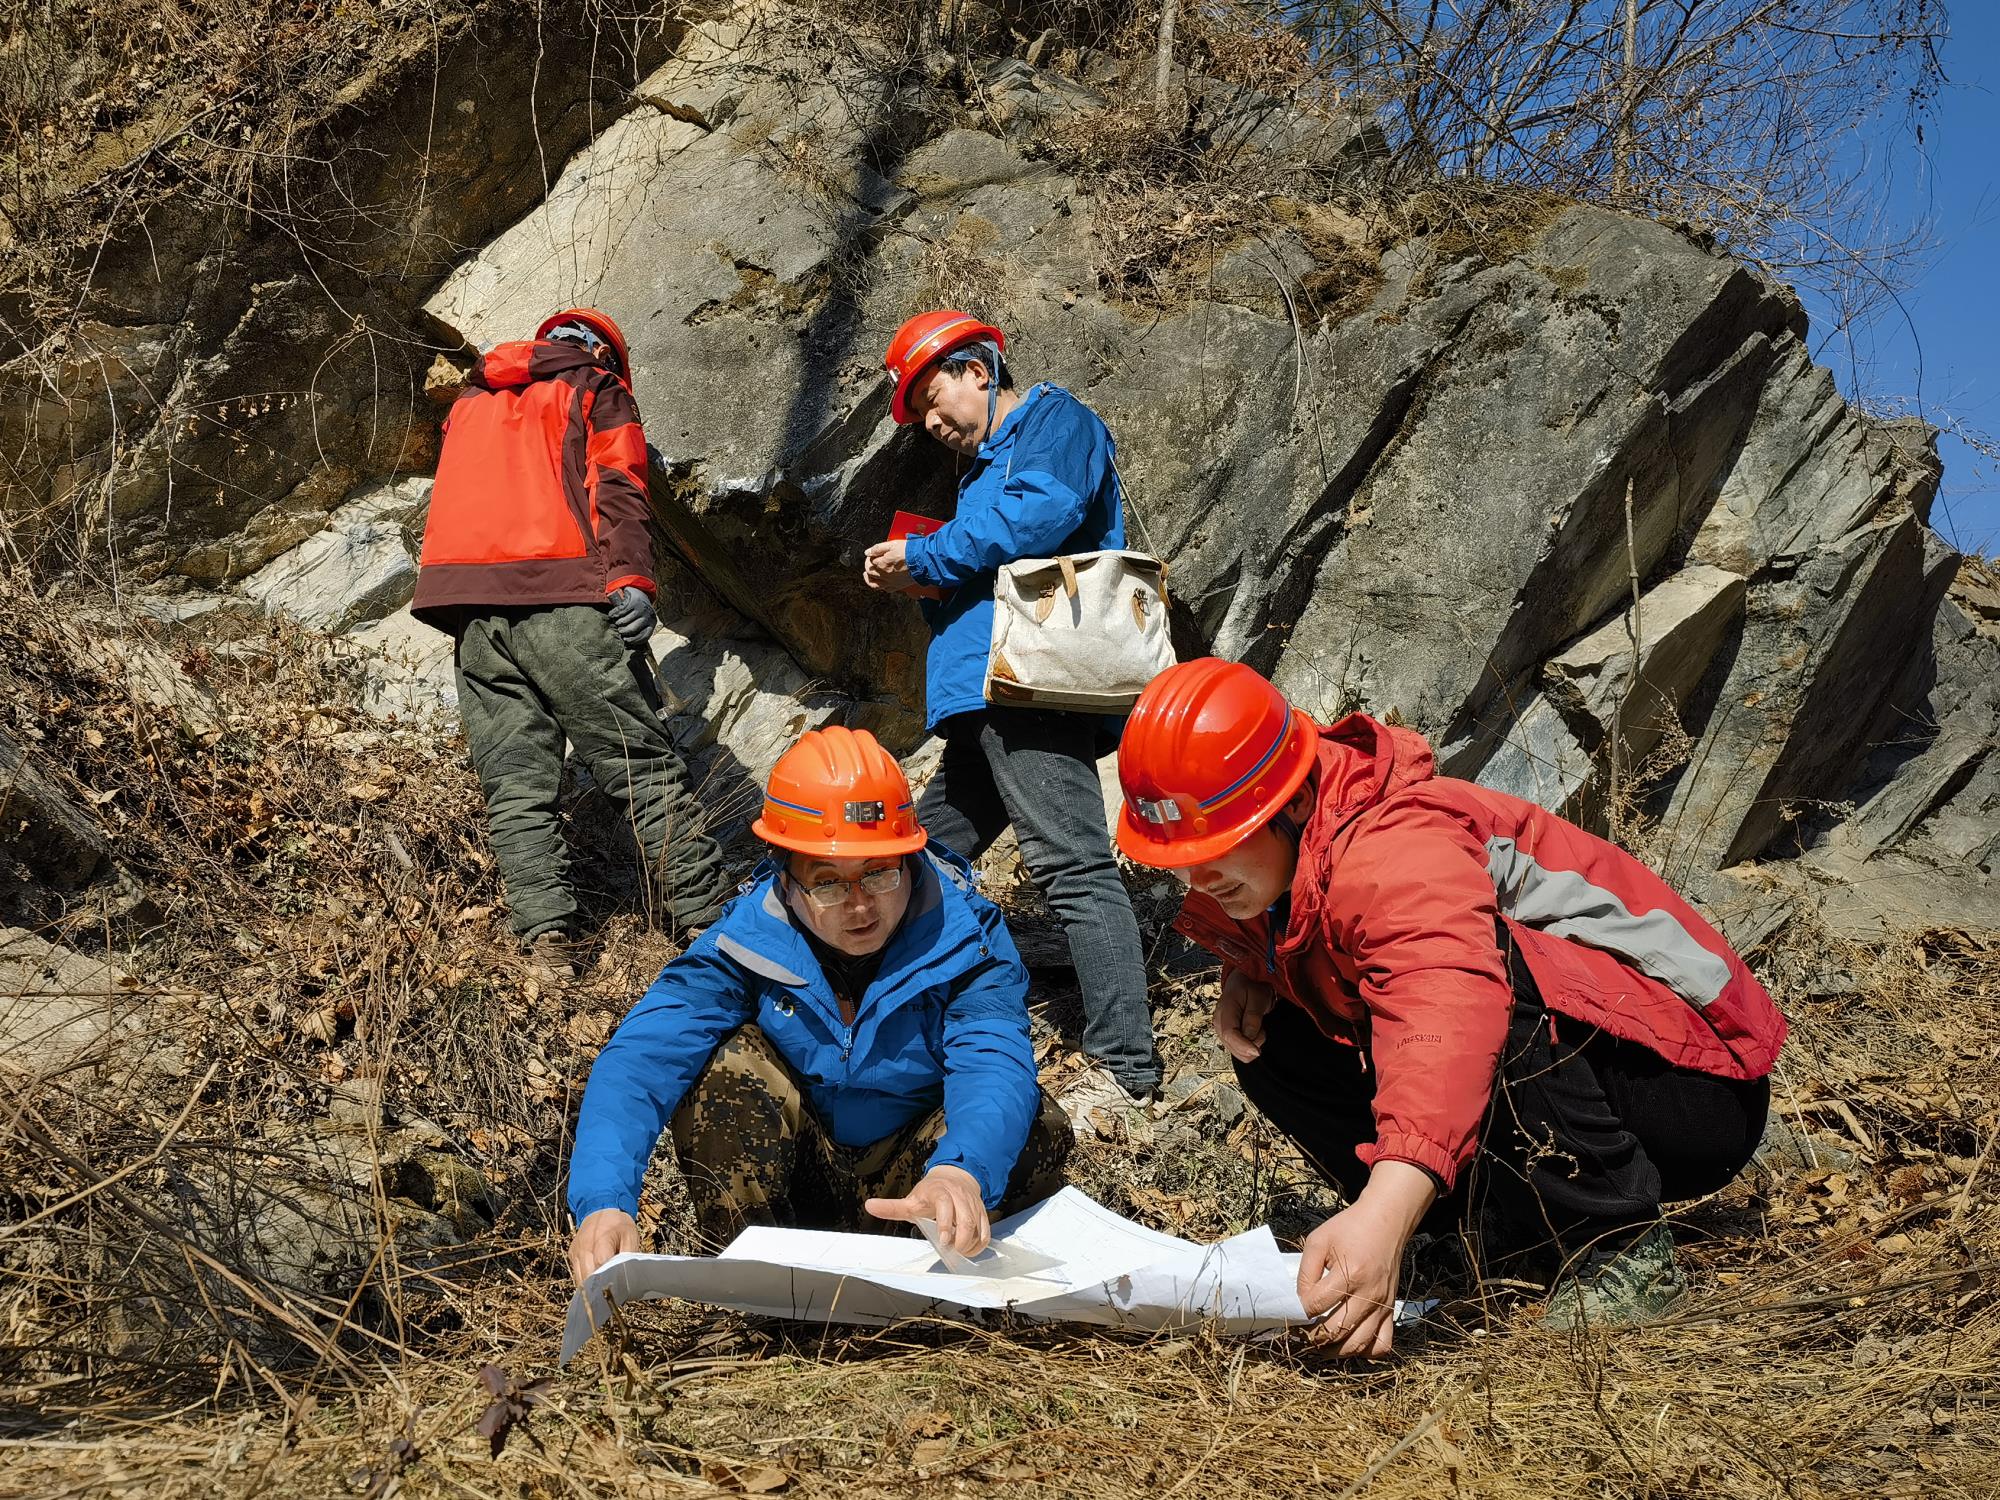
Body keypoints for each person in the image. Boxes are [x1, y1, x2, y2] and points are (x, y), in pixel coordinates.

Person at [1113, 658, 1787, 1352]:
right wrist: (1260, 972)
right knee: (1274, 1036)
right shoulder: (1289, 859)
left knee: (1486, 981)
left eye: (1219, 843)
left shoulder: (1395, 844)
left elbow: (1447, 1008)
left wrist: (1384, 1210)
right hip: (1613, 1060)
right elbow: (1333, 931)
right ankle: (1470, 1225)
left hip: (1695, 1084)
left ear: (1295, 802)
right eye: (1179, 856)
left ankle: (1618, 1243)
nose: (1197, 876)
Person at [566, 725, 1071, 1282]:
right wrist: (604, 1201)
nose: (860, 907)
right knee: (724, 1067)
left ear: (910, 857)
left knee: (1033, 1124)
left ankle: (944, 1293)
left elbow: (992, 1060)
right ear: (786, 879)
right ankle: (763, 1292)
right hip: (801, 1181)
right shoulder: (744, 943)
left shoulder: (968, 938)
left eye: (879, 874)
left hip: (920, 1184)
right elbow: (643, 1057)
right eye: (828, 883)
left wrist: (962, 1171)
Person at [861, 310, 1161, 1130]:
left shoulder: (1057, 423)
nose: (933, 425)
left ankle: (1125, 1071)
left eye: (933, 401)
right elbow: (991, 565)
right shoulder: (984, 470)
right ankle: (905, 1028)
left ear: (977, 369)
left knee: (1072, 866)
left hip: (1031, 691)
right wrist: (923, 580)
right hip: (985, 697)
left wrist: (928, 555)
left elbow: (1042, 515)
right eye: (921, 417)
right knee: (918, 861)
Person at [412, 308, 726, 961]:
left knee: (515, 784)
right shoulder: (596, 387)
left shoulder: (470, 402)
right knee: (640, 767)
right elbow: (618, 486)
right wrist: (632, 580)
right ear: (601, 354)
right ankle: (711, 924)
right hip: (564, 603)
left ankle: (547, 945)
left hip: (474, 617)